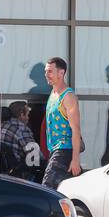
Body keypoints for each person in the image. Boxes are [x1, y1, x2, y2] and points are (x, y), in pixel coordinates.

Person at [41, 57, 82, 189]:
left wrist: (75, 160)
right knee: (62, 191)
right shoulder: (53, 94)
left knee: (47, 188)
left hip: (64, 150)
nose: (46, 75)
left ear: (61, 73)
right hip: (54, 150)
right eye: (46, 71)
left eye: (50, 71)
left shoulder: (68, 96)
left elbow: (76, 129)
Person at [0, 100, 40, 181]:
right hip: (16, 176)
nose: (28, 118)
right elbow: (35, 157)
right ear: (21, 114)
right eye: (27, 114)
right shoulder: (22, 129)